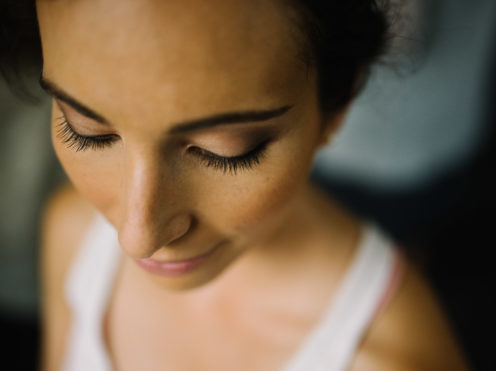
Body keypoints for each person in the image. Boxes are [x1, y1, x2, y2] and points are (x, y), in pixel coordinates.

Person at [36, 0, 469, 370]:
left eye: (226, 151)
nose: (138, 238)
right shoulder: (73, 234)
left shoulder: (391, 359)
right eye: (86, 130)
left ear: (336, 103)